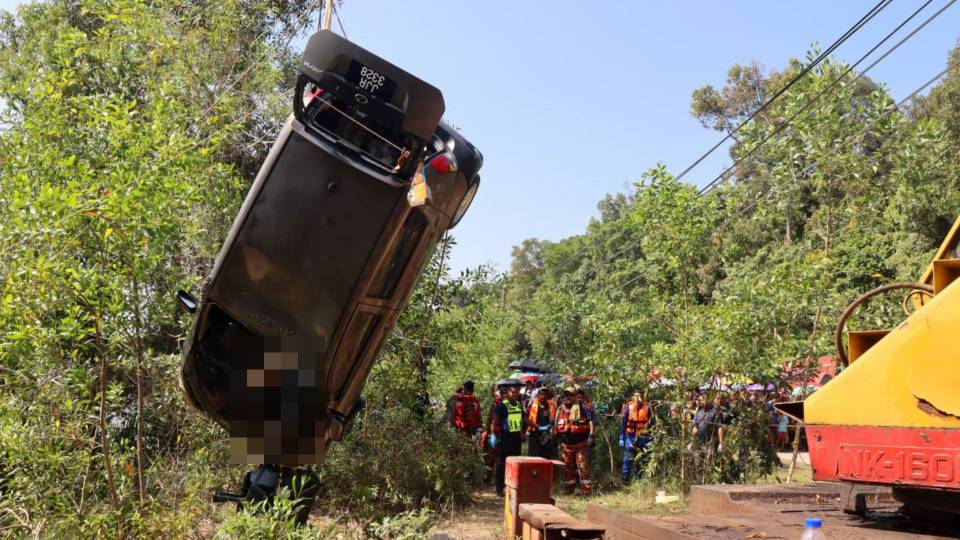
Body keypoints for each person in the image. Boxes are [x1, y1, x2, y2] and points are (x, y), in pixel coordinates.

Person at [552, 387, 593, 495]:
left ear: (575, 396)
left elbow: (590, 422)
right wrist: (557, 440)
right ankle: (569, 490)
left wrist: (591, 436)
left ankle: (586, 491)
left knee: (583, 467)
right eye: (566, 395)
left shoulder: (583, 408)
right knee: (567, 468)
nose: (567, 397)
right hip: (566, 445)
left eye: (570, 395)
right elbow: (555, 424)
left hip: (581, 444)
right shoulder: (560, 409)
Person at [491, 379, 526, 497]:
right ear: (507, 393)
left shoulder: (519, 405)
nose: (515, 394)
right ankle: (499, 488)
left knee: (515, 463)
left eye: (517, 392)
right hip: (505, 438)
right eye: (513, 392)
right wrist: (493, 435)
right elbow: (494, 422)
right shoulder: (501, 407)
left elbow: (523, 420)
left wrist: (532, 428)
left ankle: (512, 486)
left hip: (516, 438)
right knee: (502, 463)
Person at [619, 389, 652, 484]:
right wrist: (622, 437)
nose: (638, 398)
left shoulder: (648, 408)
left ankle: (639, 479)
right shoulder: (627, 407)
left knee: (641, 459)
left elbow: (651, 424)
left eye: (640, 396)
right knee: (627, 458)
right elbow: (624, 423)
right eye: (636, 396)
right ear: (633, 397)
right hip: (630, 437)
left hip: (643, 437)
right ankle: (625, 480)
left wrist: (651, 438)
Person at [526, 387, 556, 459]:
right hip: (535, 433)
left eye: (545, 395)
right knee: (533, 456)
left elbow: (554, 418)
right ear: (538, 395)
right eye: (541, 394)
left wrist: (552, 428)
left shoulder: (551, 405)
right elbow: (525, 418)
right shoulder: (531, 404)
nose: (543, 396)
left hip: (547, 433)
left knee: (546, 456)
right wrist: (534, 426)